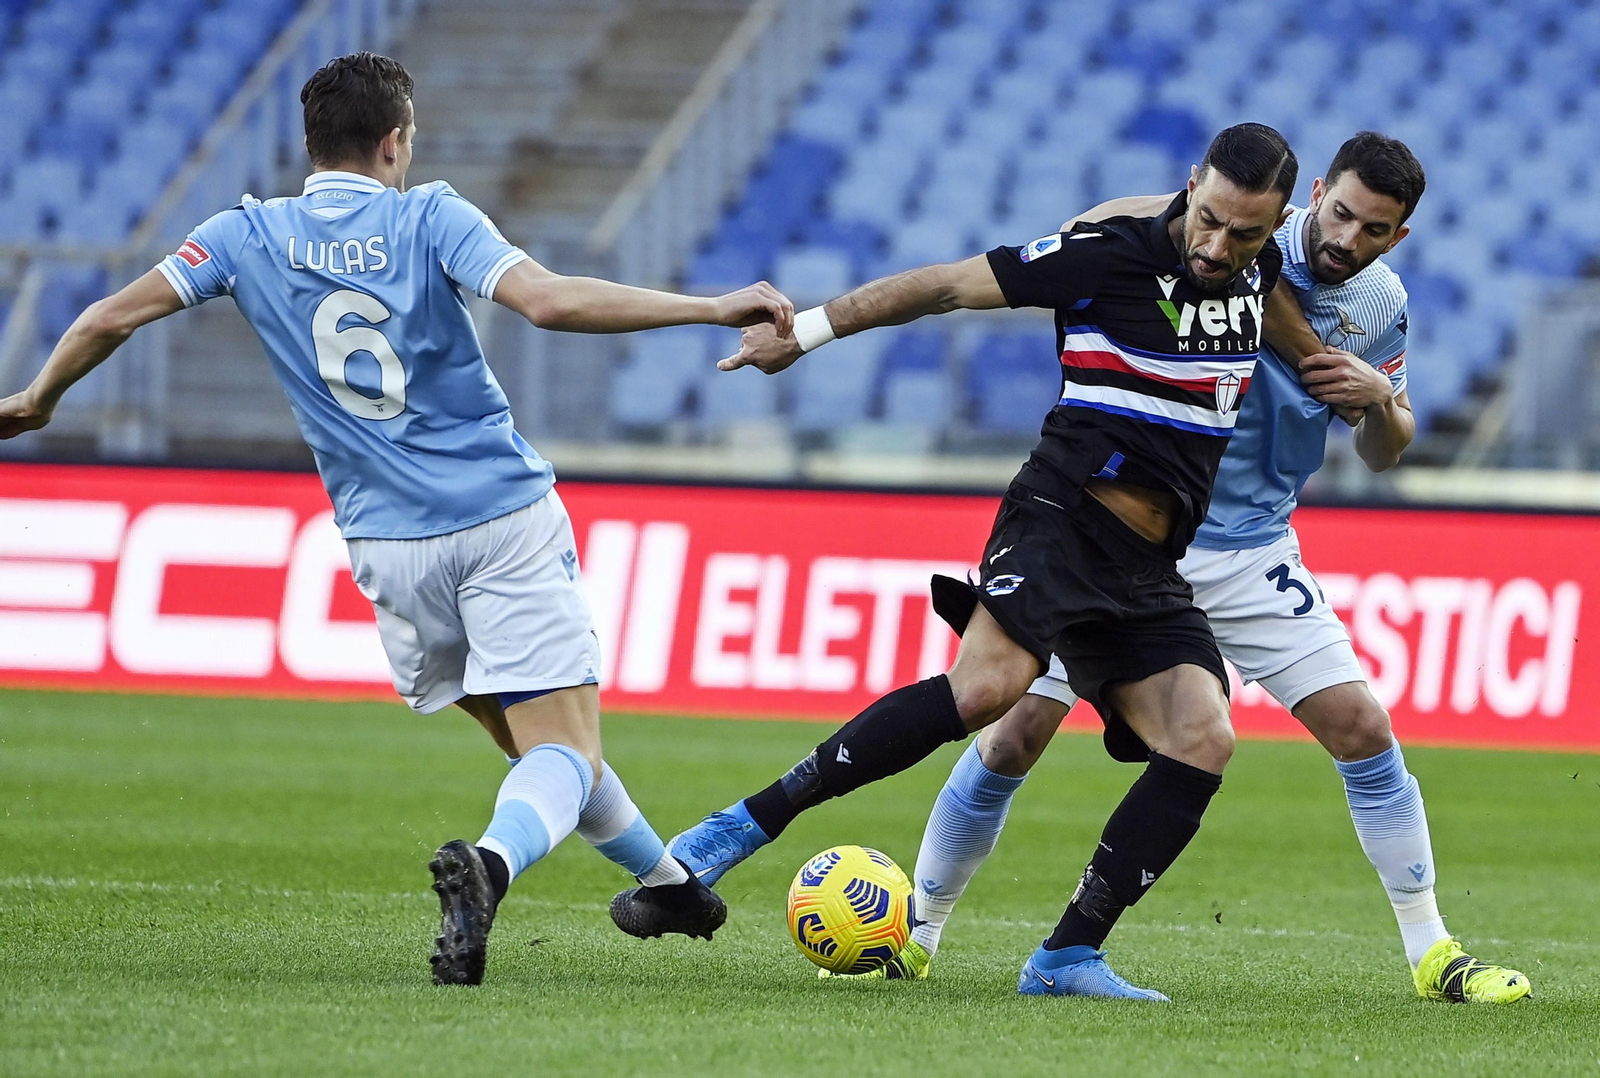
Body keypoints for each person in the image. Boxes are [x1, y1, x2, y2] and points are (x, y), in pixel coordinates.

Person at [0, 51, 796, 987]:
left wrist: (37, 399)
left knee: (541, 754)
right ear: (395, 141)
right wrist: (708, 307)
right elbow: (545, 300)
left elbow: (106, 319)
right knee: (565, 755)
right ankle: (489, 872)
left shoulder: (242, 236)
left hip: (384, 550)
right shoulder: (431, 214)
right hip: (498, 517)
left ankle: (670, 888)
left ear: (311, 145)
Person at [839, 132, 1531, 1005]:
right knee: (1013, 732)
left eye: (1373, 228)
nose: (1347, 238)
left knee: (1363, 727)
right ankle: (920, 934)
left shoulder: (1382, 303)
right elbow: (1125, 225)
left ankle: (1435, 953)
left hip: (1254, 547)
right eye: (1341, 212)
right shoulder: (1237, 242)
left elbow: (1388, 450)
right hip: (1123, 540)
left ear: (1399, 237)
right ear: (1310, 194)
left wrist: (1381, 399)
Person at [614, 124, 1296, 1000]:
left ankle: (1065, 958)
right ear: (1190, 182)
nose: (1217, 246)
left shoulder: (1258, 269)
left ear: (1275, 224)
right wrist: (808, 332)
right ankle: (729, 834)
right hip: (1063, 513)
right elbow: (942, 286)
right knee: (986, 692)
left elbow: (1283, 322)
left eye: (1244, 233)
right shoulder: (1101, 255)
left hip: (1150, 563)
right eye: (1206, 220)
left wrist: (1355, 382)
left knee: (1204, 736)